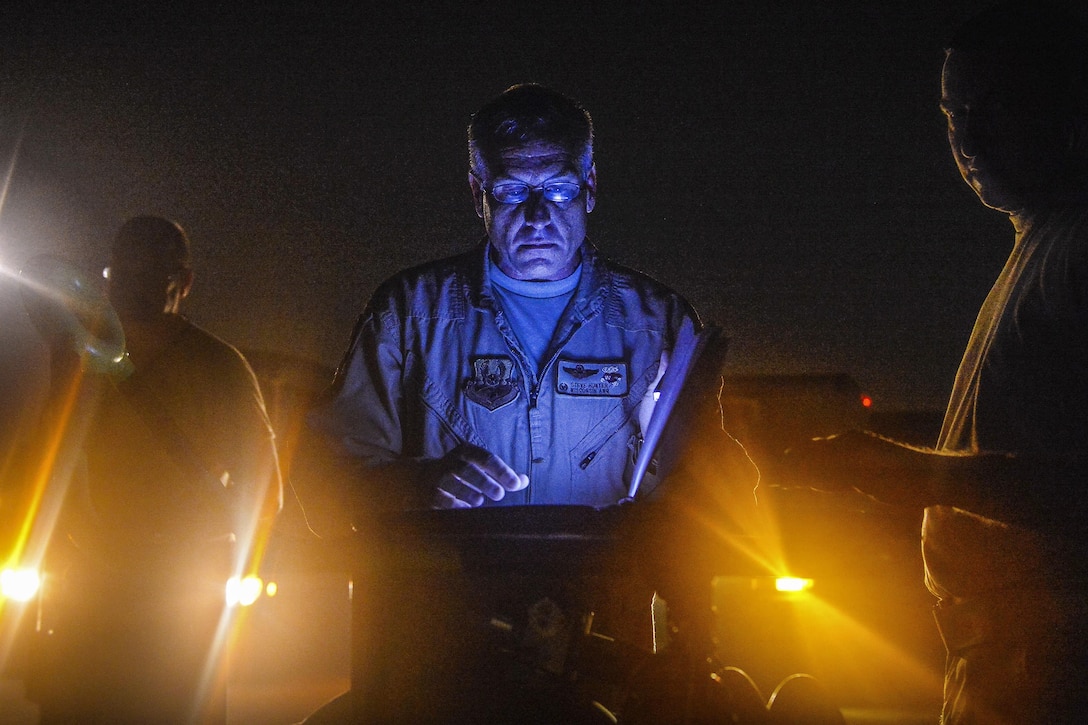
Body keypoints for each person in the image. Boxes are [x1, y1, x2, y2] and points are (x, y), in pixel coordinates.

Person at [778, 4, 1088, 723]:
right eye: (952, 111)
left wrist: (905, 471)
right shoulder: (1040, 246)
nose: (967, 136)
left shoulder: (1073, 252)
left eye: (993, 107)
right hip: (1002, 664)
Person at [308, 83, 707, 514]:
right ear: (477, 192)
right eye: (512, 192)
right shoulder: (408, 314)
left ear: (589, 187)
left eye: (558, 189)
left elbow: (705, 481)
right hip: (450, 579)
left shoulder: (659, 322)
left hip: (601, 579)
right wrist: (418, 484)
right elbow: (327, 474)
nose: (538, 217)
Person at [25, 216, 283, 723]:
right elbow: (263, 493)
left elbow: (46, 463)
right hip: (151, 605)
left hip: (118, 601)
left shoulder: (88, 360)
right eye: (126, 272)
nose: (129, 284)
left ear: (181, 282)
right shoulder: (214, 365)